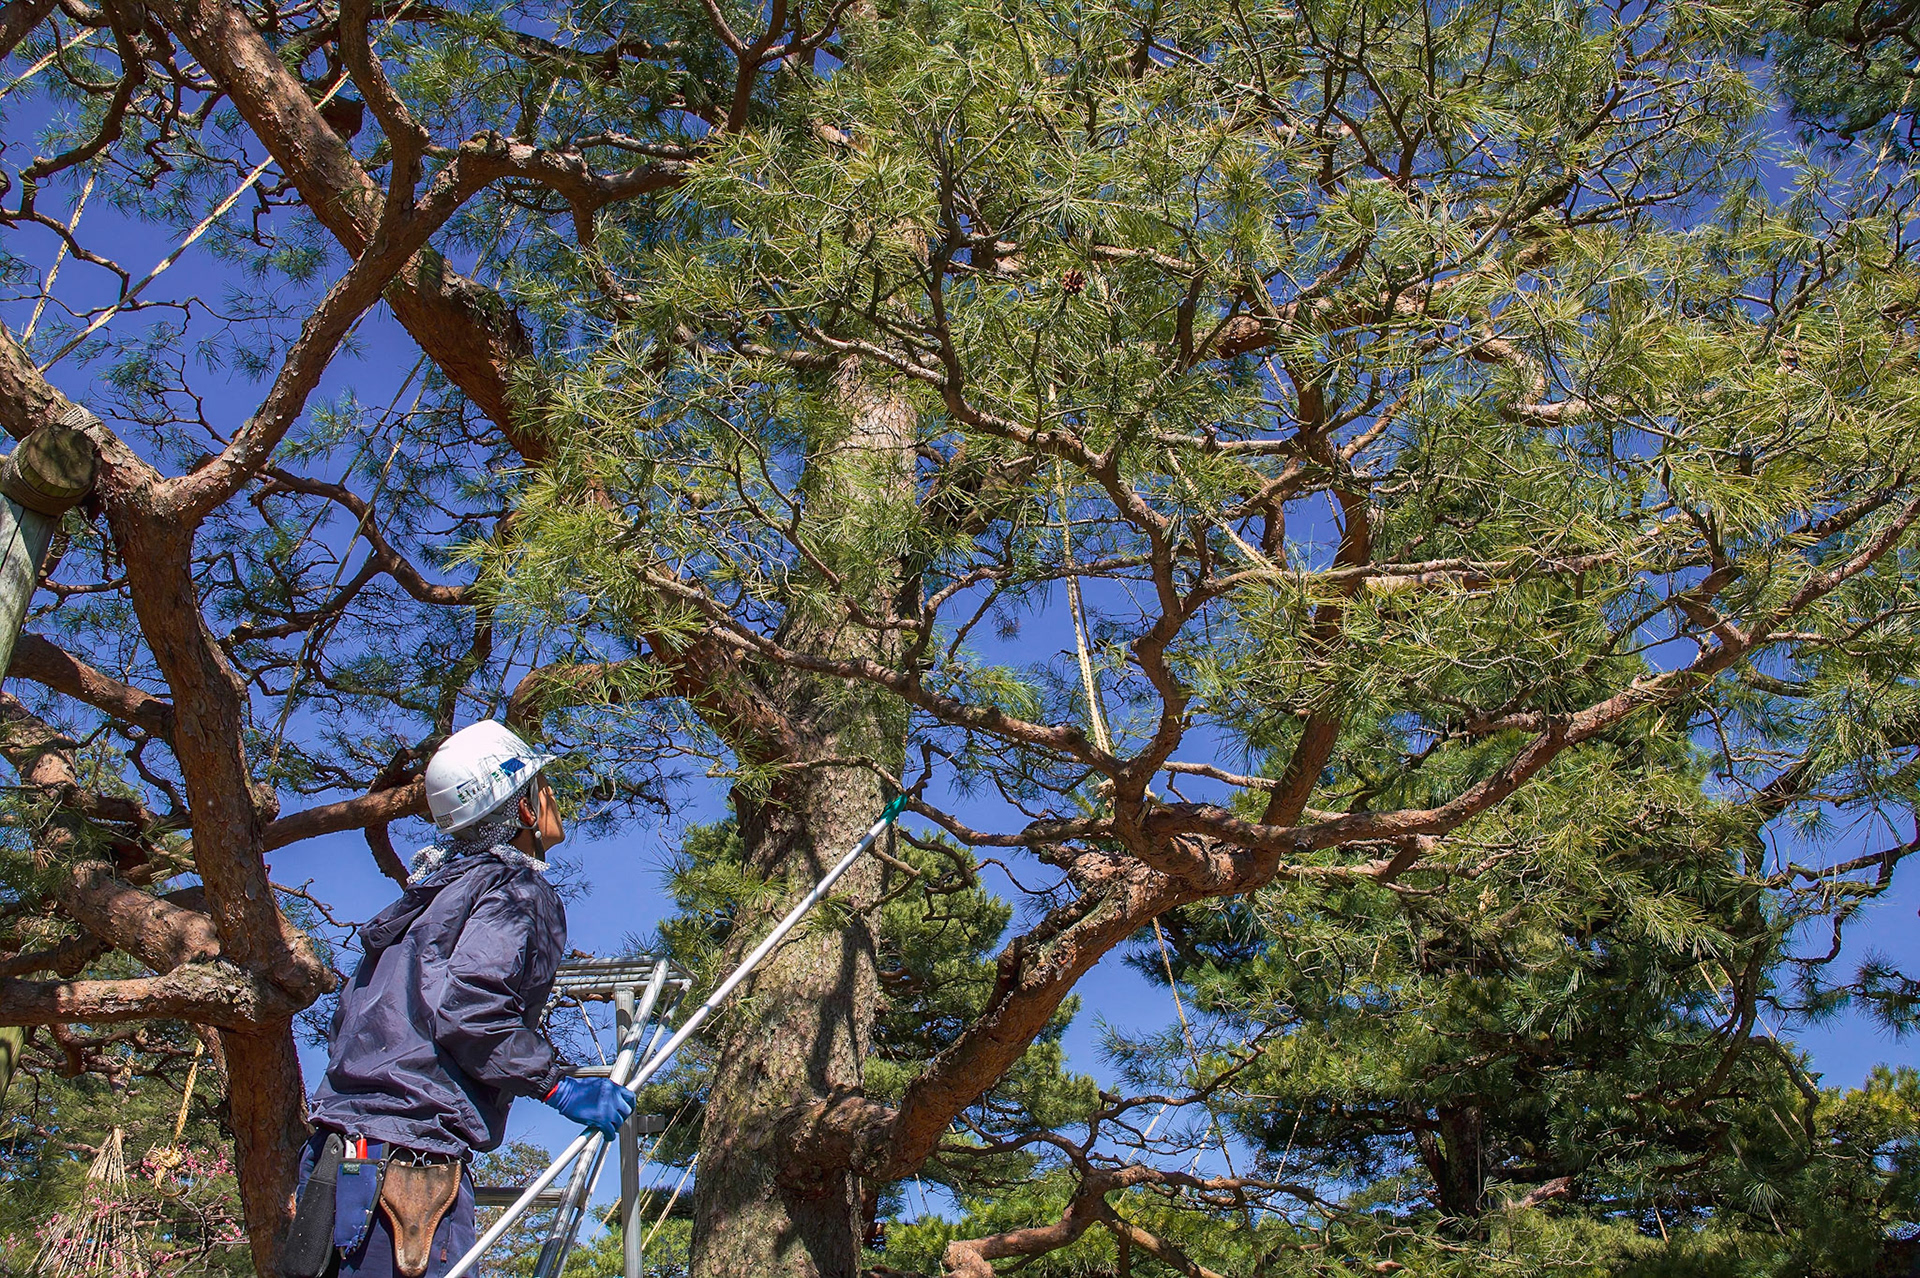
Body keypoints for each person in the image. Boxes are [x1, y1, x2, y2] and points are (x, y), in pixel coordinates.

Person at [283, 721, 635, 1278]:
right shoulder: (517, 890)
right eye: (543, 786)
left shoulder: (427, 900)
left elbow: (349, 1024)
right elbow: (471, 1009)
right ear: (524, 809)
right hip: (407, 1178)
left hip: (334, 1166)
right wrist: (558, 1084)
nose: (553, 796)